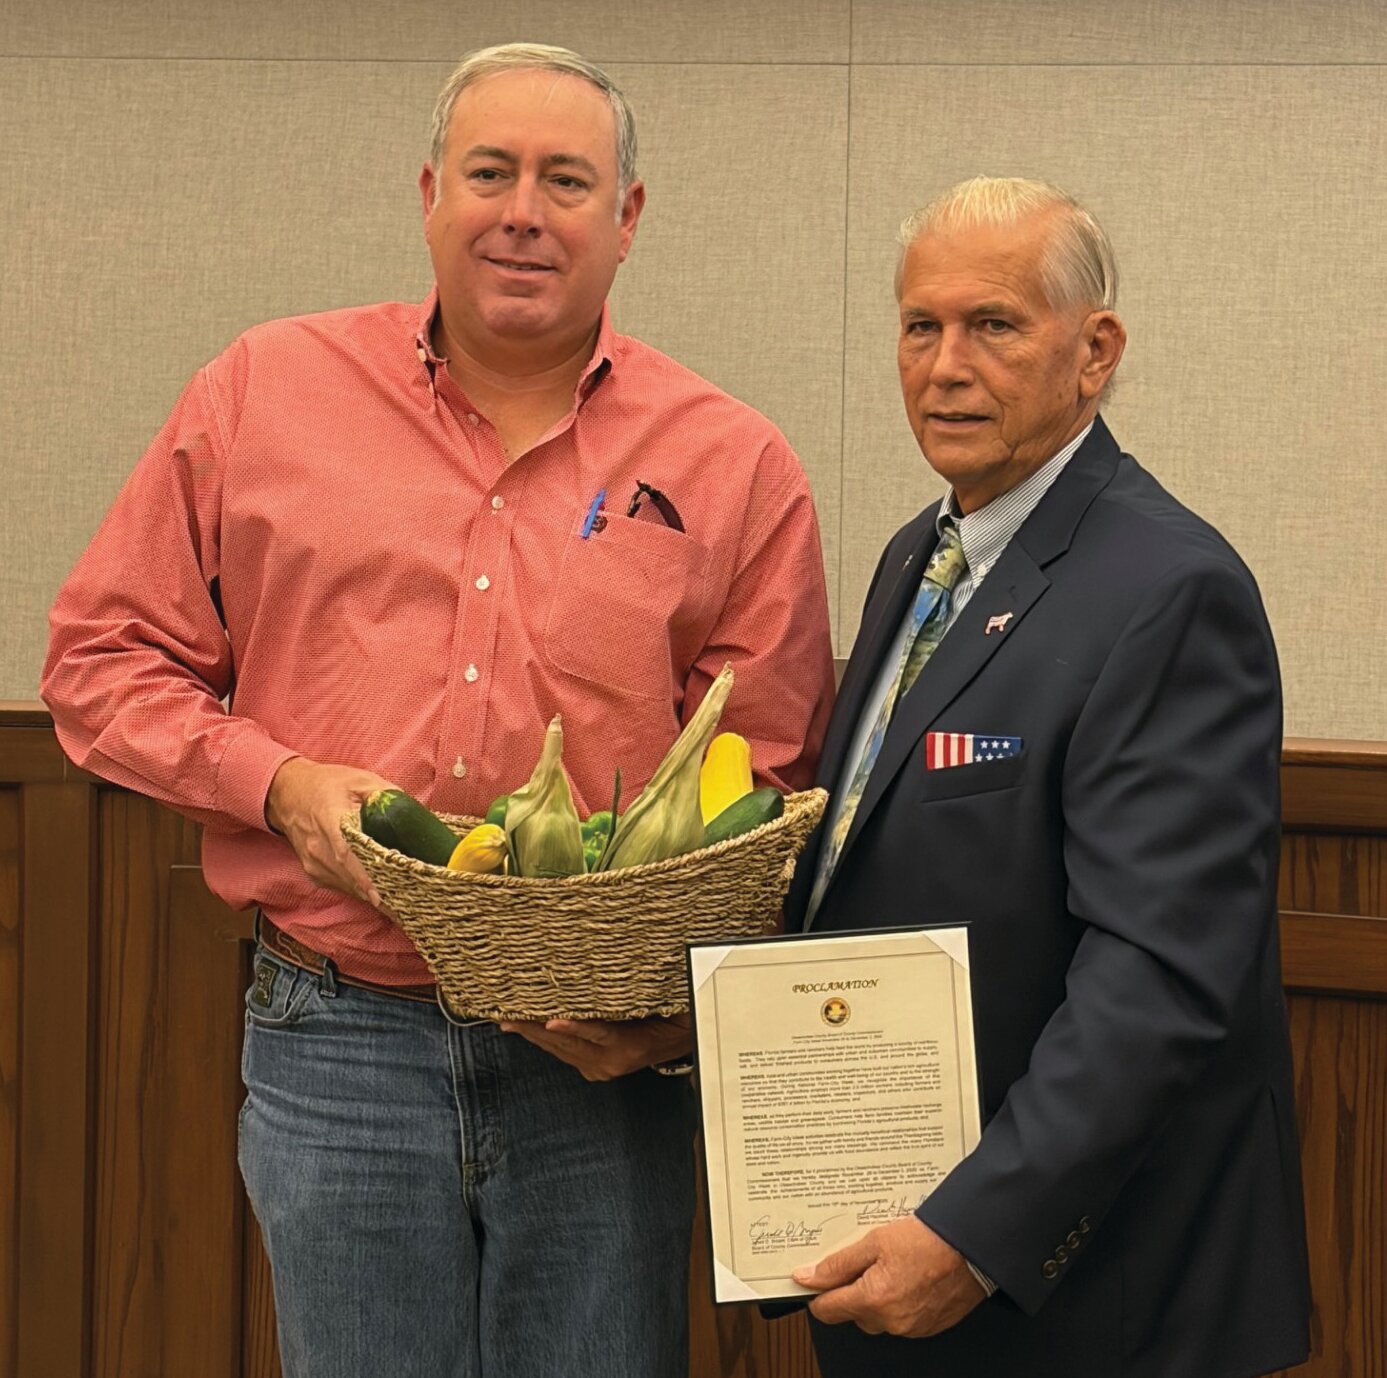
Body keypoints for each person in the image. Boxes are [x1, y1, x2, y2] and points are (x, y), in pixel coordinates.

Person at [41, 43, 834, 1378]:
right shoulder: (261, 393)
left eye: (566, 179)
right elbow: (99, 660)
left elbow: (769, 775)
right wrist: (274, 781)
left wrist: (669, 1014)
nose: (522, 209)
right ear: (428, 194)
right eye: (490, 172)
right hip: (336, 1037)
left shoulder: (733, 459)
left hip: (601, 1070)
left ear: (625, 220)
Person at [783, 177, 1310, 1378]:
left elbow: (1159, 974)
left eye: (994, 325)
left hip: (1079, 1293)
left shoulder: (1168, 588)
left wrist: (971, 1236)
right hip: (900, 1253)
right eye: (921, 326)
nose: (946, 365)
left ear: (1095, 350)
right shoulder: (917, 556)